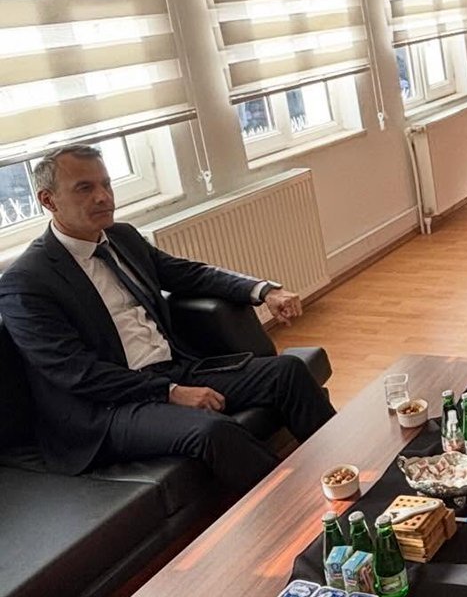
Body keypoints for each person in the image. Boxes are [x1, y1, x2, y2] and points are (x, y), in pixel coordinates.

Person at [0, 145, 336, 493]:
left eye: (106, 184)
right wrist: (169, 392)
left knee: (287, 371)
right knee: (211, 431)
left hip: (172, 370)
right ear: (49, 200)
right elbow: (77, 372)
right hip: (106, 409)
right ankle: (301, 510)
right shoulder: (27, 281)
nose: (103, 197)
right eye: (84, 188)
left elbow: (189, 274)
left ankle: (349, 471)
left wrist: (263, 290)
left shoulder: (122, 237)